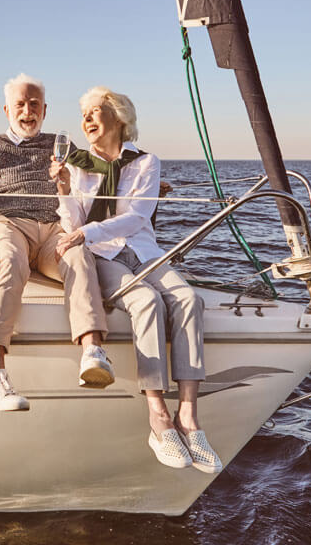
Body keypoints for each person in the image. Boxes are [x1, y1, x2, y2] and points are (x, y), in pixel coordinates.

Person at [49, 86, 222, 473]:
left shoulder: (145, 163)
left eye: (96, 112)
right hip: (103, 254)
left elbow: (139, 216)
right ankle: (158, 415)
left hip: (143, 250)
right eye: (84, 114)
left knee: (190, 300)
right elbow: (73, 224)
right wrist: (63, 191)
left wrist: (85, 232)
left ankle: (189, 416)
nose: (87, 120)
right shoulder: (78, 165)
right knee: (146, 301)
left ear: (120, 118)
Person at [0, 73, 110, 412]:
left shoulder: (60, 144)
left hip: (55, 225)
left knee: (79, 255)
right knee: (10, 262)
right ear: (6, 109)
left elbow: (103, 172)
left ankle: (92, 351)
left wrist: (147, 184)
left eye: (34, 104)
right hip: (9, 222)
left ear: (45, 110)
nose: (27, 111)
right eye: (20, 104)